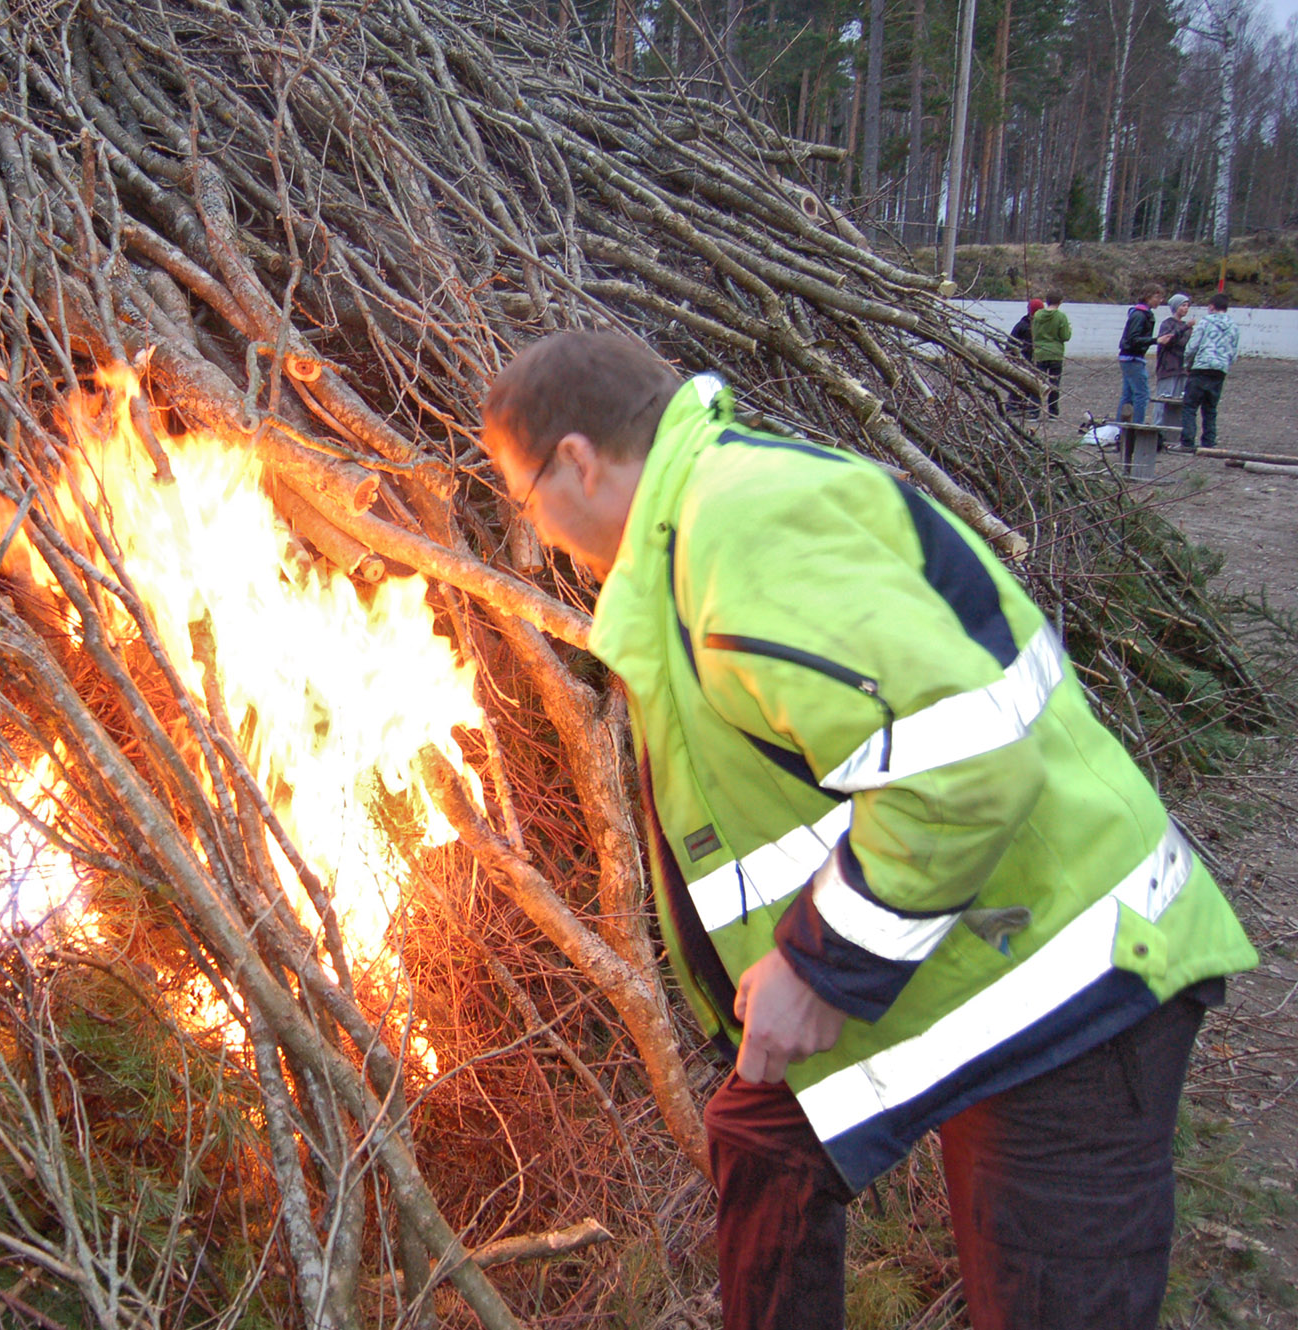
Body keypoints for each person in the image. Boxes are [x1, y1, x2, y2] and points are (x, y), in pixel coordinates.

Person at [480, 331, 1255, 1330]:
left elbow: (961, 767)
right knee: (761, 1132)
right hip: (973, 945)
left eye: (522, 490)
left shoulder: (740, 534)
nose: (533, 530)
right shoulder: (704, 521)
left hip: (1069, 986)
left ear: (577, 459)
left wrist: (819, 967)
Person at [1180, 291, 1241, 453]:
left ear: (1212, 307)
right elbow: (1234, 352)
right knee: (1210, 407)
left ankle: (1187, 441)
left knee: (1190, 406)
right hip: (1220, 369)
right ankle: (1209, 441)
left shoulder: (1205, 322)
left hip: (1201, 367)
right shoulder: (1234, 326)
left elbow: (1192, 346)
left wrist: (1187, 364)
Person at [1117, 288, 1162, 423]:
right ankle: (1137, 426)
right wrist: (1155, 340)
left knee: (1128, 394)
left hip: (1129, 357)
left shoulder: (1141, 314)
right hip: (1133, 358)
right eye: (1157, 297)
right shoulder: (1140, 315)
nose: (1160, 301)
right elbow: (1133, 339)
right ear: (1148, 297)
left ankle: (1121, 426)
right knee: (1141, 394)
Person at [1031, 293, 1071, 419]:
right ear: (1060, 301)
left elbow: (1034, 334)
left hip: (1040, 352)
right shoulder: (1061, 317)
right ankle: (1053, 412)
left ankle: (1034, 411)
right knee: (1054, 384)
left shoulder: (1037, 316)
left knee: (1038, 383)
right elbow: (1065, 336)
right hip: (1055, 353)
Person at [1005, 298, 1043, 415]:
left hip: (1032, 359)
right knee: (1020, 383)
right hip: (1022, 358)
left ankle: (1020, 405)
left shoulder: (1038, 325)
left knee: (1026, 383)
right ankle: (1012, 406)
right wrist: (1012, 356)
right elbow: (1011, 342)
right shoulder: (1022, 325)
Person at [1154, 293, 1193, 402]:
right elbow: (1168, 341)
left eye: (1187, 306)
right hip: (1168, 369)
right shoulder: (1167, 324)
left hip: (1183, 369)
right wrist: (1185, 328)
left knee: (1179, 402)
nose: (1186, 308)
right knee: (1163, 401)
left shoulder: (1188, 327)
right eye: (1183, 305)